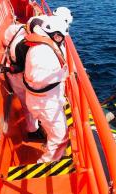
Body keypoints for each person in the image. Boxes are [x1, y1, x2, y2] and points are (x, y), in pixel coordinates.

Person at [24, 16, 70, 163]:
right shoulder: (41, 51)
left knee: (53, 129)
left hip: (43, 100)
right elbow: (38, 78)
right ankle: (47, 163)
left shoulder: (43, 47)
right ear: (55, 35)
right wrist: (64, 74)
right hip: (45, 103)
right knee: (60, 136)